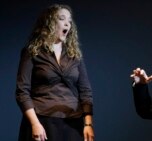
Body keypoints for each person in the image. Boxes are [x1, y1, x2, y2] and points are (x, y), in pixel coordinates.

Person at [15, 4, 94, 141]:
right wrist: (35, 124)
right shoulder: (32, 52)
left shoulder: (74, 55)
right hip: (42, 121)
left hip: (73, 123)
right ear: (49, 23)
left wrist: (88, 123)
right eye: (62, 19)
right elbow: (22, 91)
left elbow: (85, 91)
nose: (67, 24)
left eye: (69, 21)